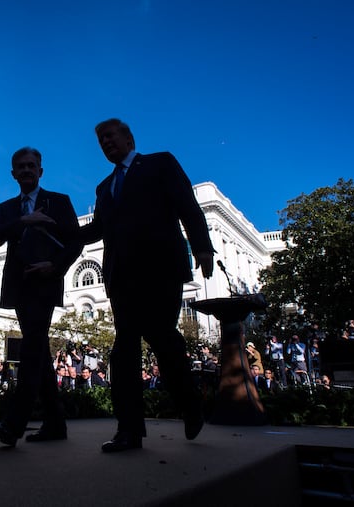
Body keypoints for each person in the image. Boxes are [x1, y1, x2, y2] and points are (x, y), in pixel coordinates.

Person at [79, 119, 214, 452]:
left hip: (160, 270)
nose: (106, 143)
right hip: (121, 278)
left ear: (129, 138)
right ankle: (129, 431)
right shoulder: (104, 187)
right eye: (100, 140)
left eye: (110, 136)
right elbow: (97, 230)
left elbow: (188, 205)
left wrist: (202, 246)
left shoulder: (159, 163)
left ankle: (190, 403)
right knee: (124, 350)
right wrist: (57, 233)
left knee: (164, 340)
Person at [0, 146, 82, 447]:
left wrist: (54, 266)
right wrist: (22, 223)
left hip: (45, 283)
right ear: (13, 173)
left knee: (30, 350)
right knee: (38, 352)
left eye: (31, 166)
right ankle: (56, 424)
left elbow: (76, 241)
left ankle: (14, 424)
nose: (26, 170)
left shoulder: (59, 202)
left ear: (40, 170)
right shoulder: (7, 209)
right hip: (19, 288)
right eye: (21, 167)